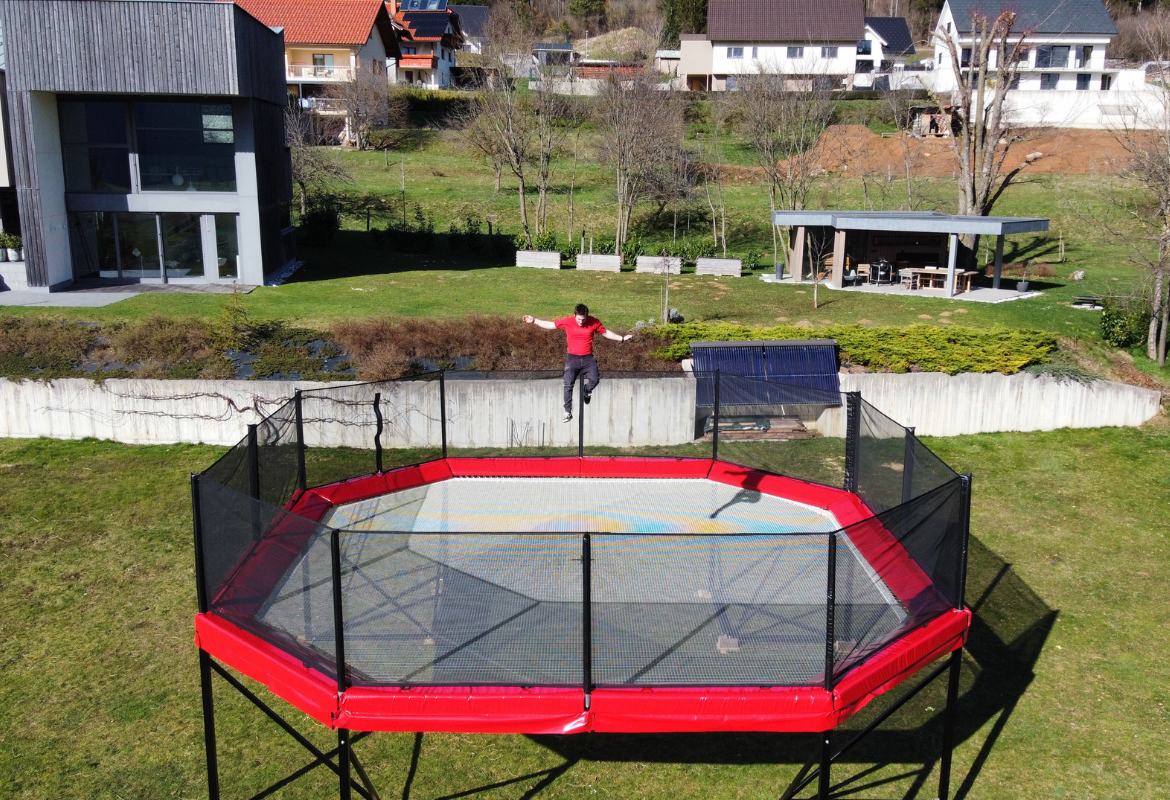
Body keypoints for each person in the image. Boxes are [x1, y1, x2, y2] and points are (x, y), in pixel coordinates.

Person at [523, 304, 631, 422]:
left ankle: (587, 390)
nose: (581, 322)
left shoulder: (593, 322)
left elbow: (605, 333)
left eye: (583, 319)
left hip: (588, 358)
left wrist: (622, 339)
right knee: (568, 384)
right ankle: (567, 412)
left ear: (587, 316)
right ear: (575, 315)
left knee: (595, 380)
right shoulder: (568, 321)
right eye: (579, 319)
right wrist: (534, 320)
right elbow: (551, 325)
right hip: (572, 358)